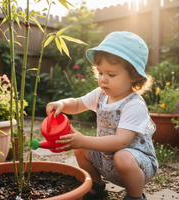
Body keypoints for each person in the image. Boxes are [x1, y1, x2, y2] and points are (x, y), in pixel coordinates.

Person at [46, 31, 158, 200]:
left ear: (133, 76)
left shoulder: (134, 105)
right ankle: (96, 188)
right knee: (81, 149)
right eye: (100, 73)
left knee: (122, 156)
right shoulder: (101, 94)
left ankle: (135, 196)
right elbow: (77, 103)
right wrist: (62, 104)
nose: (103, 79)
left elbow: (121, 142)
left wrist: (83, 139)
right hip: (107, 160)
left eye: (111, 74)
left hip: (136, 163)